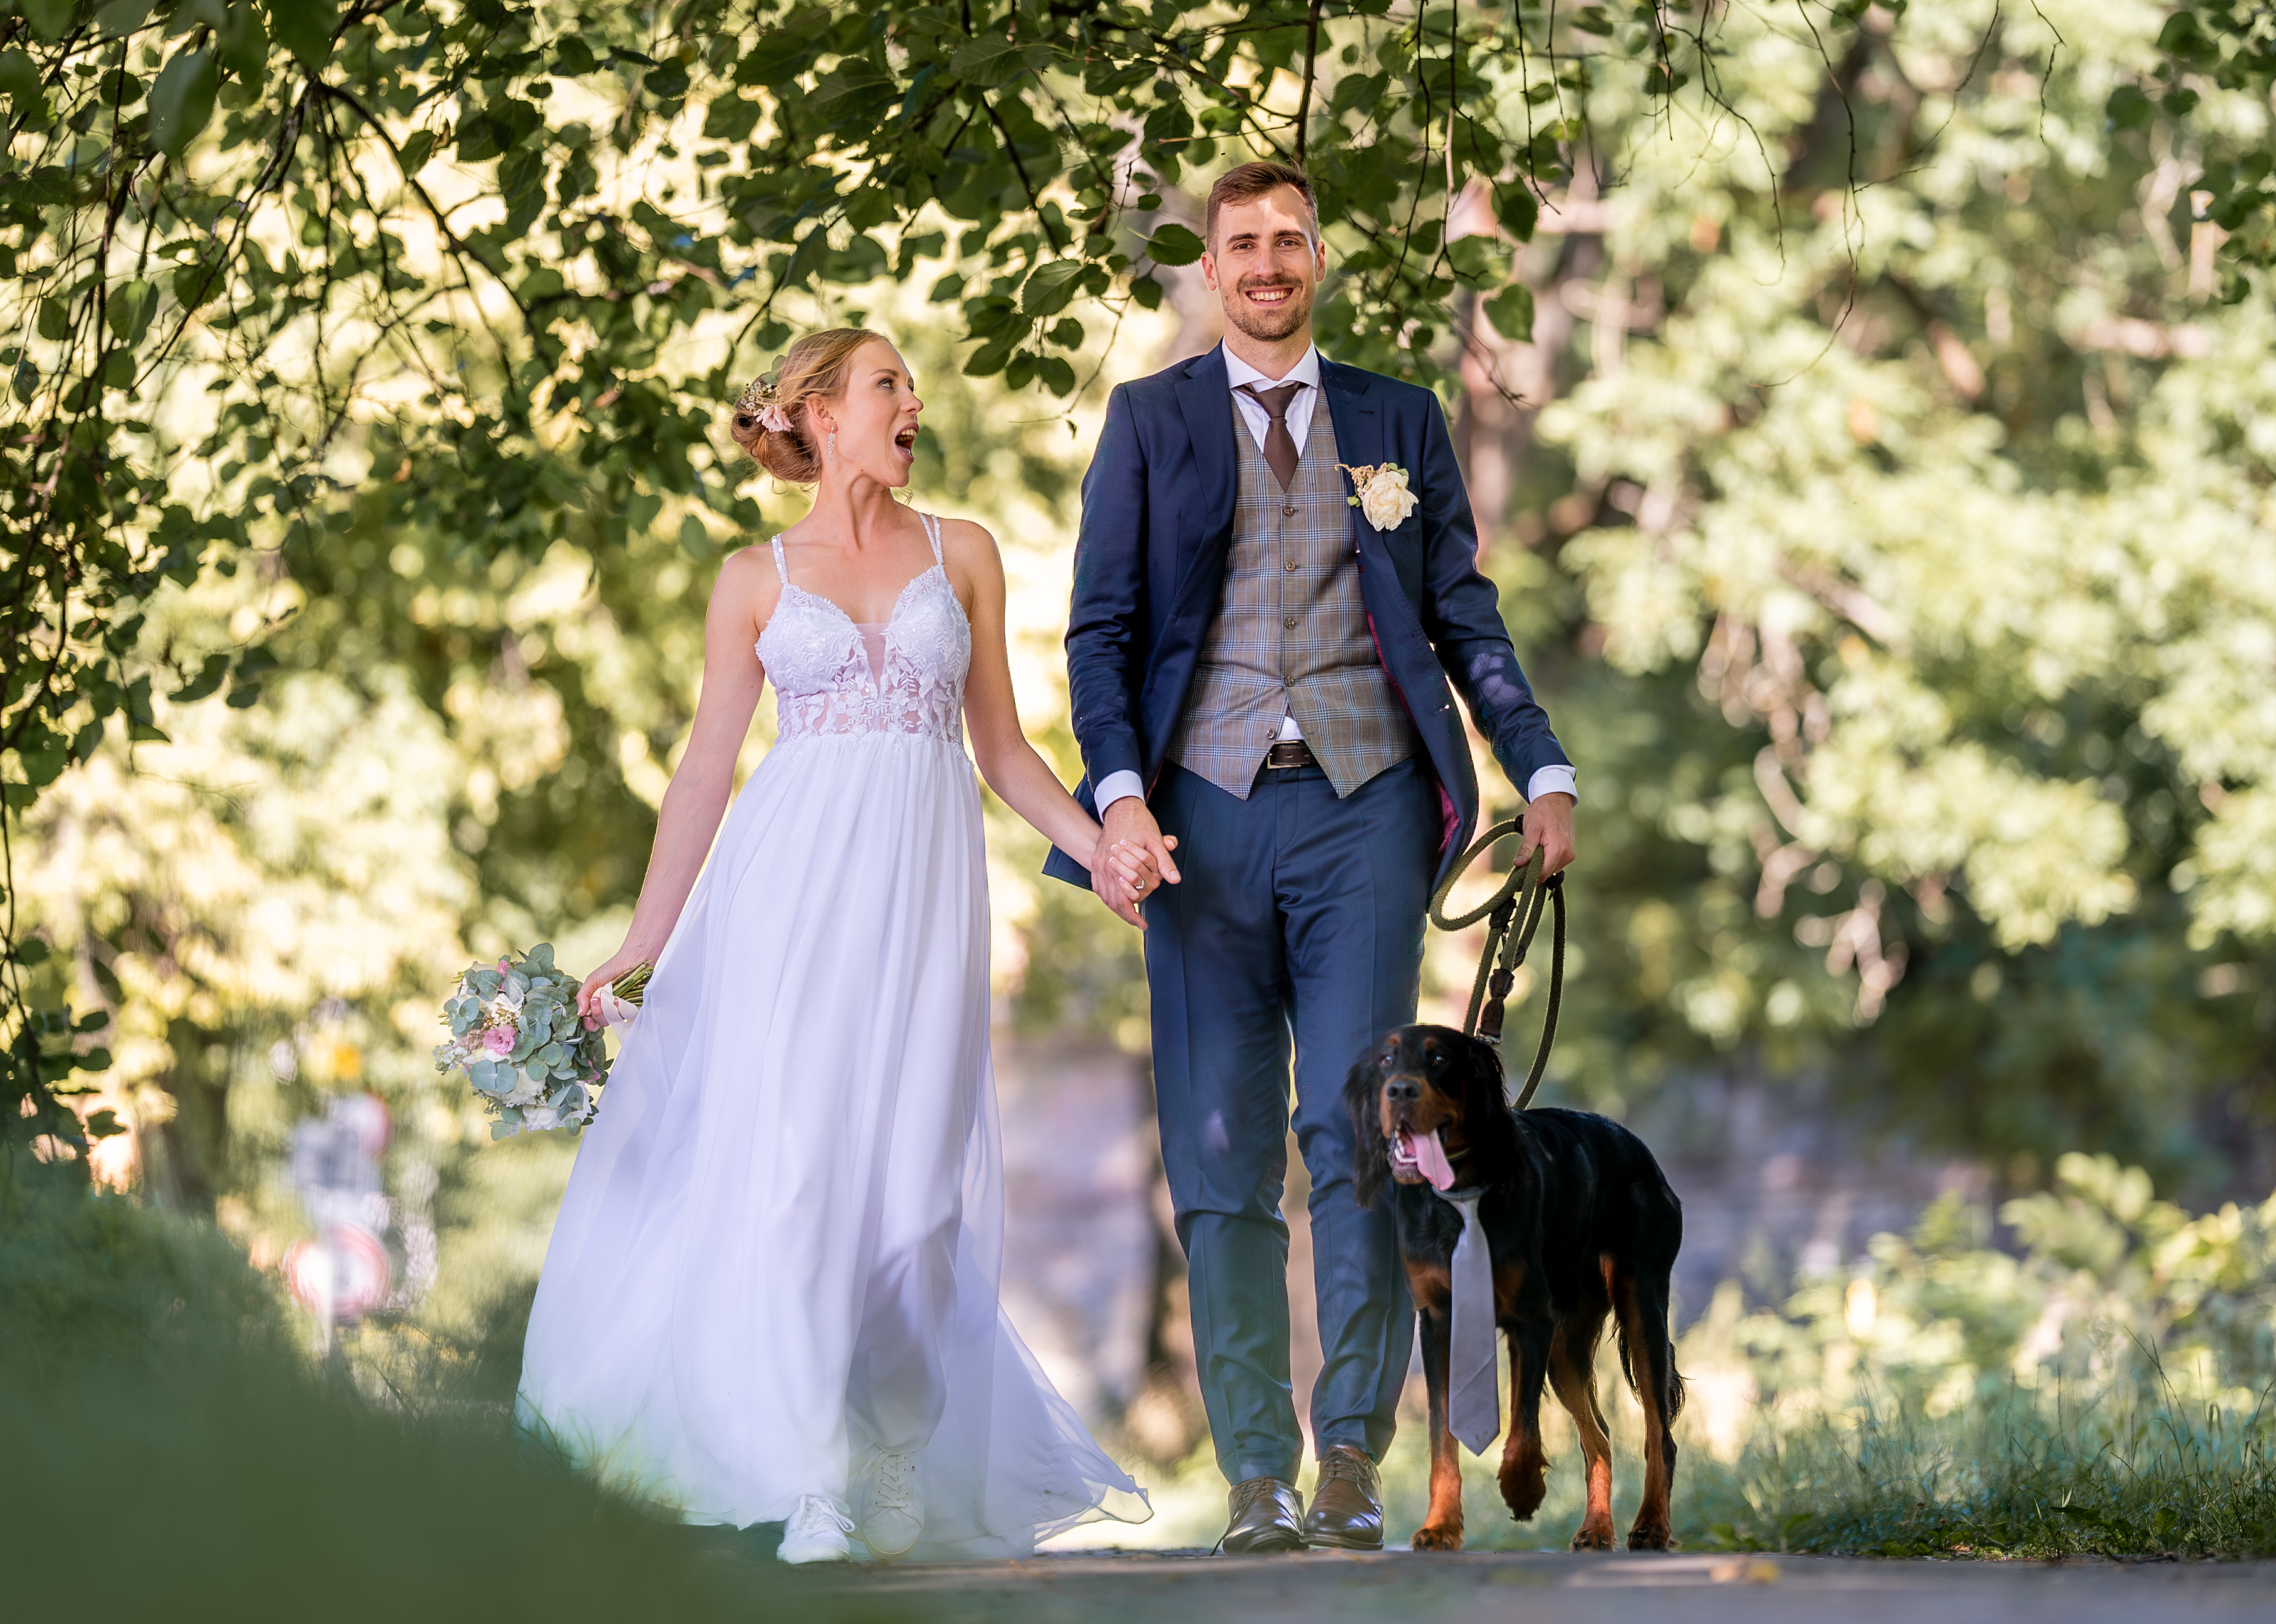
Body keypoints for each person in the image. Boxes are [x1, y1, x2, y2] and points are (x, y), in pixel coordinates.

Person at [520, 327, 1152, 1564]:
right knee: (799, 1170)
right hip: (786, 895)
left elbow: (1004, 751)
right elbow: (707, 767)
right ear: (817, 414)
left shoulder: (959, 553)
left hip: (923, 896)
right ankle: (807, 1475)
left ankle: (896, 1453)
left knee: (915, 1200)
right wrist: (645, 938)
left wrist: (1102, 852)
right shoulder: (750, 579)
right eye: (885, 385)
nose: (912, 403)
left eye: (909, 387)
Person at [1051, 159, 1579, 1552]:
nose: (1268, 262)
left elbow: (1462, 614)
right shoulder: (1149, 420)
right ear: (1210, 266)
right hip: (1197, 823)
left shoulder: (1396, 418)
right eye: (1243, 243)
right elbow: (1098, 633)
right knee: (1219, 1156)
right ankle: (1254, 1478)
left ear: (1318, 259)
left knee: (1365, 1141)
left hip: (1366, 813)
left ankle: (1349, 1460)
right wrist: (1114, 800)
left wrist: (1542, 767)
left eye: (1290, 239)